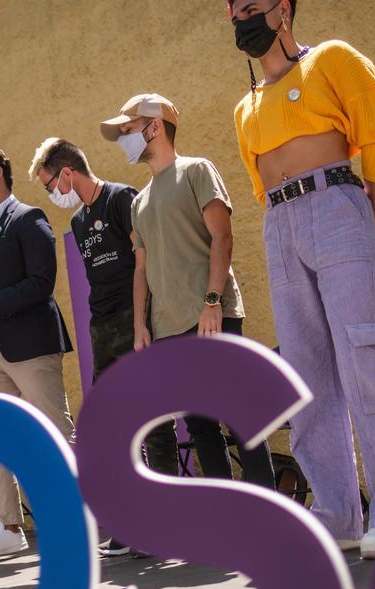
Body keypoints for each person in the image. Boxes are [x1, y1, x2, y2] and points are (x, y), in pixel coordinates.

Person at [228, 0, 375, 559]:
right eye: (234, 14)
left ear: (283, 10)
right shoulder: (245, 107)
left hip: (336, 203)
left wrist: (360, 224)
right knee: (305, 372)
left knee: (364, 356)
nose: (242, 21)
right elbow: (262, 187)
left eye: (252, 8)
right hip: (279, 224)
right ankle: (335, 513)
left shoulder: (333, 58)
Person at [99, 93, 276, 490]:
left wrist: (212, 302)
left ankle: (268, 512)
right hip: (167, 329)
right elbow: (141, 268)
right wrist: (142, 328)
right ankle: (226, 519)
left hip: (212, 317)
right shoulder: (138, 202)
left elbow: (222, 237)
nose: (125, 139)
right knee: (199, 425)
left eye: (128, 130)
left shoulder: (198, 170)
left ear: (155, 126)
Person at [27, 137, 175, 557]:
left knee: (154, 419)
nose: (51, 193)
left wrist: (142, 323)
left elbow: (143, 262)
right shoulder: (76, 223)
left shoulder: (120, 198)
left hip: (137, 321)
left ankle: (166, 519)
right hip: (103, 327)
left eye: (50, 184)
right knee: (112, 429)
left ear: (67, 173)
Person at [0, 144, 76, 560]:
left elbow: (41, 281)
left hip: (33, 344)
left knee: (57, 432)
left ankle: (76, 516)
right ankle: (9, 527)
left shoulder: (29, 218)